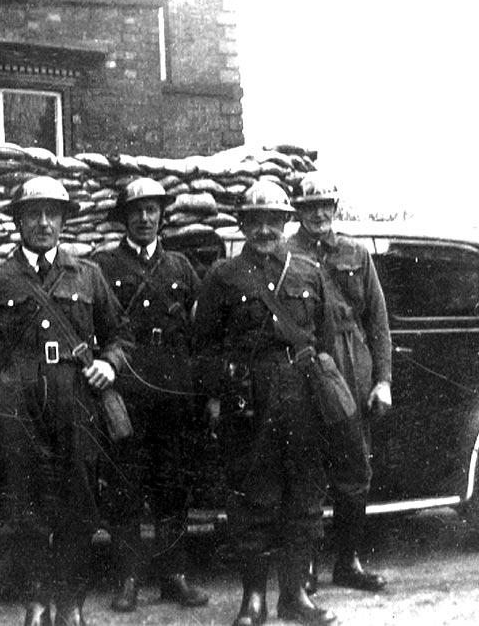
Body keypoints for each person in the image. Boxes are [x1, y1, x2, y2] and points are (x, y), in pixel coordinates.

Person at [0, 176, 133, 626]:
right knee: (23, 506)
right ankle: (35, 601)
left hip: (75, 402)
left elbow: (120, 334)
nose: (44, 222)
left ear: (64, 220)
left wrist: (109, 363)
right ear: (18, 221)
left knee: (78, 504)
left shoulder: (87, 274)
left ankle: (70, 602)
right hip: (16, 404)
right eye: (33, 213)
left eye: (53, 213)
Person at [193, 180, 338, 626]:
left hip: (301, 398)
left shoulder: (309, 272)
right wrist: (221, 394)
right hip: (248, 401)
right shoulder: (223, 276)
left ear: (284, 223)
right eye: (256, 221)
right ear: (243, 224)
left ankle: (294, 596)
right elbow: (204, 347)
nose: (265, 230)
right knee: (252, 500)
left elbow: (326, 340)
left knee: (303, 499)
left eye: (273, 220)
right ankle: (253, 599)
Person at [90, 177, 209, 613]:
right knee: (125, 486)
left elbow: (201, 330)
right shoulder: (102, 266)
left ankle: (173, 575)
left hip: (173, 393)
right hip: (126, 394)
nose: (144, 217)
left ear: (162, 215)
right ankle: (128, 578)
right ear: (124, 217)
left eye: (152, 209)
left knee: (172, 486)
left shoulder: (181, 266)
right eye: (136, 210)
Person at [286, 173, 392, 593]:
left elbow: (378, 323)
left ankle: (348, 561)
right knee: (306, 469)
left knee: (354, 469)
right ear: (298, 211)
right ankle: (306, 567)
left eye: (325, 205)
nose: (319, 213)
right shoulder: (285, 252)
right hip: (308, 365)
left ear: (335, 207)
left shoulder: (355, 252)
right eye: (310, 206)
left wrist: (382, 380)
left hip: (352, 365)